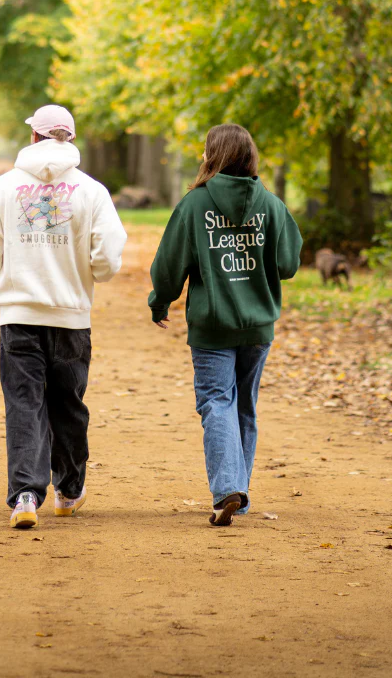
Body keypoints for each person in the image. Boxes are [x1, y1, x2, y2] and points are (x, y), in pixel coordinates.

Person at [0, 104, 127, 530]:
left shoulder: (3, 187)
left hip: (18, 316)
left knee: (24, 403)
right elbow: (108, 256)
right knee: (68, 405)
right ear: (69, 140)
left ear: (33, 137)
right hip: (71, 317)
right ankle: (69, 489)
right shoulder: (92, 191)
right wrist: (91, 272)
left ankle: (24, 495)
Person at [148, 124, 302, 526]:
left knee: (217, 402)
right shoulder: (271, 204)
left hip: (213, 326)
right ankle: (238, 491)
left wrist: (160, 301)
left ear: (212, 156)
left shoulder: (195, 205)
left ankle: (227, 489)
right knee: (244, 407)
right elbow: (288, 264)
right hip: (257, 326)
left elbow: (169, 264)